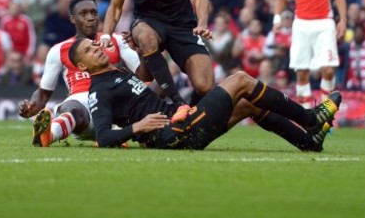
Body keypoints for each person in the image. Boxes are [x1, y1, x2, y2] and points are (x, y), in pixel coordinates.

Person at [69, 38, 341, 151]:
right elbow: (103, 136)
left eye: (95, 45)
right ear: (82, 66)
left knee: (249, 104)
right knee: (240, 81)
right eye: (90, 52)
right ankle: (310, 118)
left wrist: (147, 48)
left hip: (178, 123)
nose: (97, 49)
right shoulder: (99, 90)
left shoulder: (116, 73)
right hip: (174, 133)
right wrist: (138, 128)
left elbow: (142, 94)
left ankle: (310, 142)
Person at [18, 0, 146, 147]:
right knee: (72, 109)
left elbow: (143, 74)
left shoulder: (116, 40)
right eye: (83, 14)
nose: (90, 18)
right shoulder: (59, 50)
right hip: (84, 108)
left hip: (115, 103)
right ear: (72, 19)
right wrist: (31, 107)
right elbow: (44, 93)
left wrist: (142, 49)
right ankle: (48, 134)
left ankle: (117, 133)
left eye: (93, 12)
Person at [274, 0, 347, 107]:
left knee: (328, 70)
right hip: (301, 24)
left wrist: (343, 21)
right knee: (302, 73)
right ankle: (307, 116)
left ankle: (325, 110)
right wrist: (277, 18)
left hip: (325, 23)